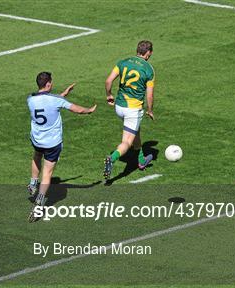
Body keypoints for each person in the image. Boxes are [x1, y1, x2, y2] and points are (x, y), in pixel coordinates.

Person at [27, 72, 96, 222]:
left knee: (37, 156)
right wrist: (89, 110)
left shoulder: (30, 99)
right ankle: (39, 202)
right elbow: (76, 109)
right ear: (48, 84)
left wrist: (63, 94)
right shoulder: (56, 100)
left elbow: (47, 102)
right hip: (52, 143)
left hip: (37, 140)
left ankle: (33, 183)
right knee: (47, 173)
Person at [103, 40, 155, 179]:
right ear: (148, 53)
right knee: (126, 142)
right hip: (133, 110)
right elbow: (149, 94)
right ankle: (112, 158)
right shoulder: (148, 69)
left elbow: (108, 81)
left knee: (135, 130)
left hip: (119, 106)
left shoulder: (123, 62)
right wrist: (150, 110)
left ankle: (141, 160)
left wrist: (109, 95)